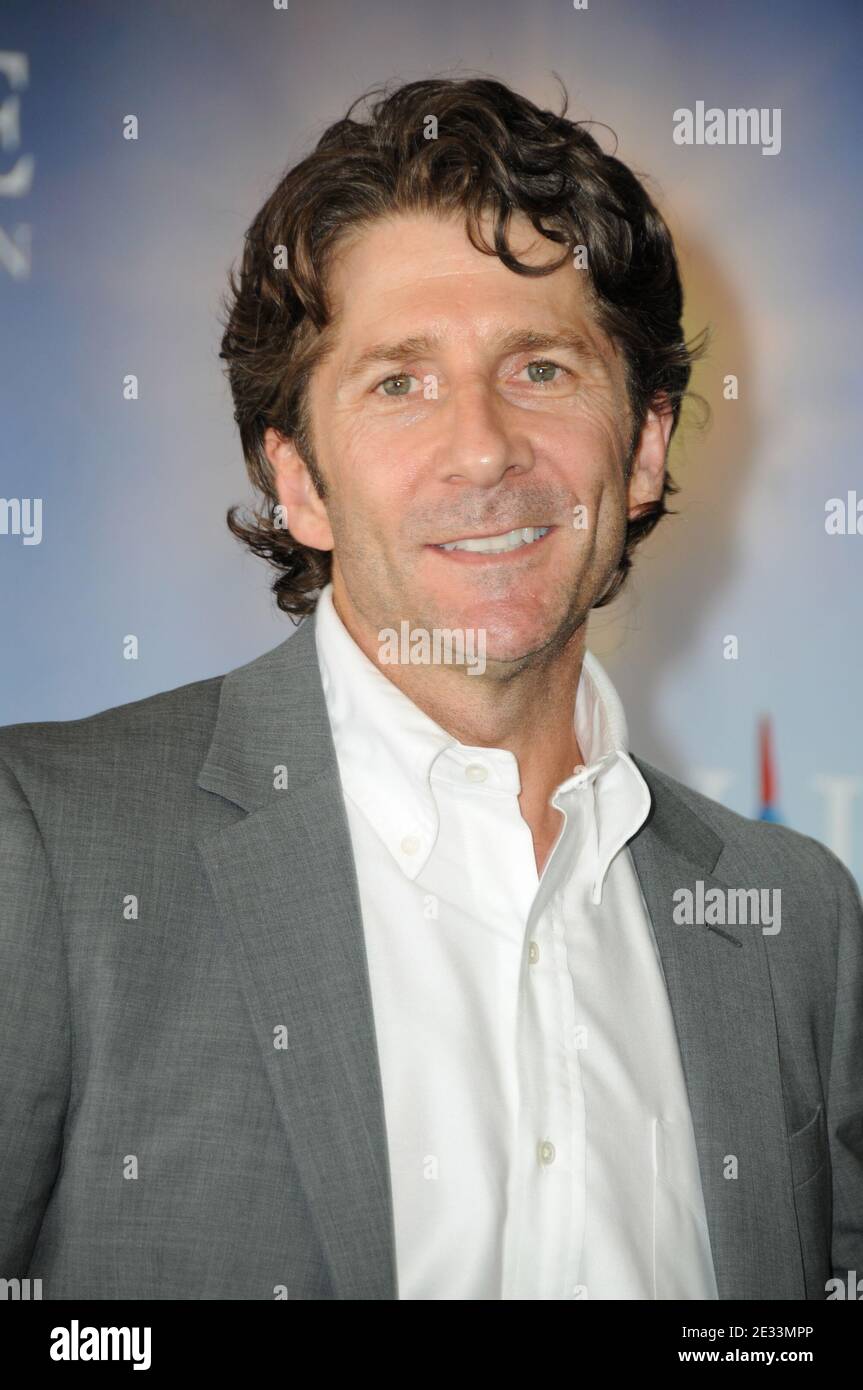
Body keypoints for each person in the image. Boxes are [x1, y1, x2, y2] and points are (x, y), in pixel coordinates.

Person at [1, 76, 860, 1301]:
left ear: (644, 448)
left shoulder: (795, 920)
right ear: (299, 484)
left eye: (542, 369)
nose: (481, 447)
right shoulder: (50, 845)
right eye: (398, 382)